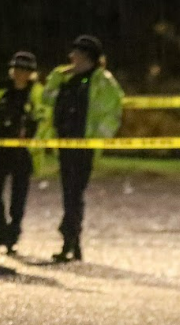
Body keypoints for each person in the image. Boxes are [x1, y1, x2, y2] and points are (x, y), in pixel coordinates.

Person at [41, 35, 124, 262]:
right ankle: (72, 241)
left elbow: (113, 112)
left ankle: (70, 237)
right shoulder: (65, 78)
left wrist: (98, 139)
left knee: (74, 192)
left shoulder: (102, 81)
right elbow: (46, 100)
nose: (71, 57)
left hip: (84, 145)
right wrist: (57, 78)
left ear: (86, 56)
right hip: (65, 144)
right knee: (70, 192)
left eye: (75, 53)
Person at [0, 51, 45, 254]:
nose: (20, 74)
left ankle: (12, 234)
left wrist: (31, 136)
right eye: (17, 69)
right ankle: (1, 230)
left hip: (22, 152)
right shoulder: (0, 89)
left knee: (18, 196)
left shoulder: (36, 92)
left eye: (24, 70)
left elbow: (43, 118)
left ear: (31, 73)